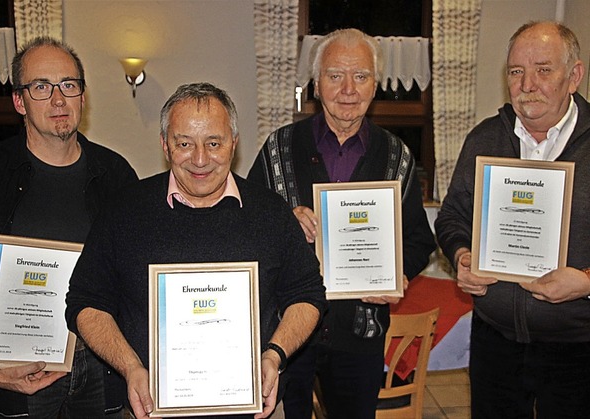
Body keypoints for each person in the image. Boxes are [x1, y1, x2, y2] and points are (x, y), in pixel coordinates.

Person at [65, 82, 327, 419]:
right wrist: (130, 367)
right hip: (151, 410)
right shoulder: (124, 212)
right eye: (184, 143)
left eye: (213, 143)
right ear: (165, 145)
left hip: (251, 410)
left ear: (233, 143)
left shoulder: (272, 213)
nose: (200, 159)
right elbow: (85, 301)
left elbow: (308, 294)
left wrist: (274, 355)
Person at [247, 28, 436, 419]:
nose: (348, 89)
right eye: (335, 76)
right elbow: (243, 225)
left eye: (361, 76)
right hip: (285, 335)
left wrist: (397, 274)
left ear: (376, 84)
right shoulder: (278, 147)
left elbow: (419, 239)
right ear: (316, 84)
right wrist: (283, 220)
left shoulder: (397, 155)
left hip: (360, 335)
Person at [0, 37, 138, 418]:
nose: (58, 99)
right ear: (19, 101)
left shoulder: (116, 174)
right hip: (15, 371)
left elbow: (134, 275)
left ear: (82, 97)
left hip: (100, 369)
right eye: (41, 87)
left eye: (69, 85)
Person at [435, 21, 590, 418]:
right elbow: (452, 215)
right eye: (516, 71)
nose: (527, 84)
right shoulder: (485, 139)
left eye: (543, 69)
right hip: (495, 342)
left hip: (578, 347)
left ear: (574, 76)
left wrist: (587, 281)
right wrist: (462, 255)